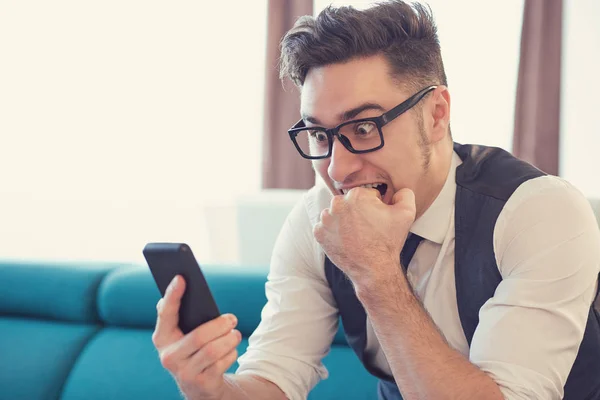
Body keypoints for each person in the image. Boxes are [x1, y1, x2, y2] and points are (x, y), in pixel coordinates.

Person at [151, 1, 600, 399]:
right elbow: (274, 379)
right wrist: (209, 388)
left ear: (437, 114)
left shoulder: (541, 212)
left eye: (364, 128)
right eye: (320, 135)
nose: (337, 169)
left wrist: (376, 274)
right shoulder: (314, 220)